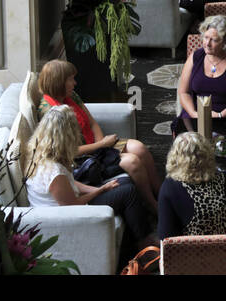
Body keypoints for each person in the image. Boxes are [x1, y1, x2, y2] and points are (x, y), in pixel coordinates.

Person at [25, 105, 156, 269]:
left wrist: (96, 189)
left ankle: (133, 246)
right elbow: (71, 206)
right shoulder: (53, 171)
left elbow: (69, 183)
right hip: (71, 216)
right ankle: (145, 247)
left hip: (70, 203)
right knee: (128, 192)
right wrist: (100, 190)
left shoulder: (40, 155)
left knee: (124, 183)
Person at [37, 59, 162, 211]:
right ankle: (153, 206)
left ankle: (161, 194)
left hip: (98, 147)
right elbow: (66, 151)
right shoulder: (49, 111)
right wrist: (101, 146)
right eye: (71, 79)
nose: (75, 83)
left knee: (139, 148)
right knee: (132, 162)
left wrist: (102, 144)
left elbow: (92, 123)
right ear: (59, 82)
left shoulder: (72, 96)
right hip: (81, 160)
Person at [157, 131, 226, 240]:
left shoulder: (170, 188)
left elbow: (166, 236)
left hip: (199, 253)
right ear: (207, 153)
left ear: (174, 157)